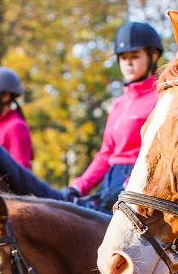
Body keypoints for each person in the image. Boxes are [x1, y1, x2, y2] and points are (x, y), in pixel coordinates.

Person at [61, 22, 162, 213]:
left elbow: (158, 153)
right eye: (123, 58)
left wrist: (127, 186)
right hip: (110, 181)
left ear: (153, 56)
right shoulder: (118, 104)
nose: (128, 63)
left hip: (139, 184)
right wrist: (78, 187)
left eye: (135, 56)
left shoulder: (160, 98)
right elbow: (105, 154)